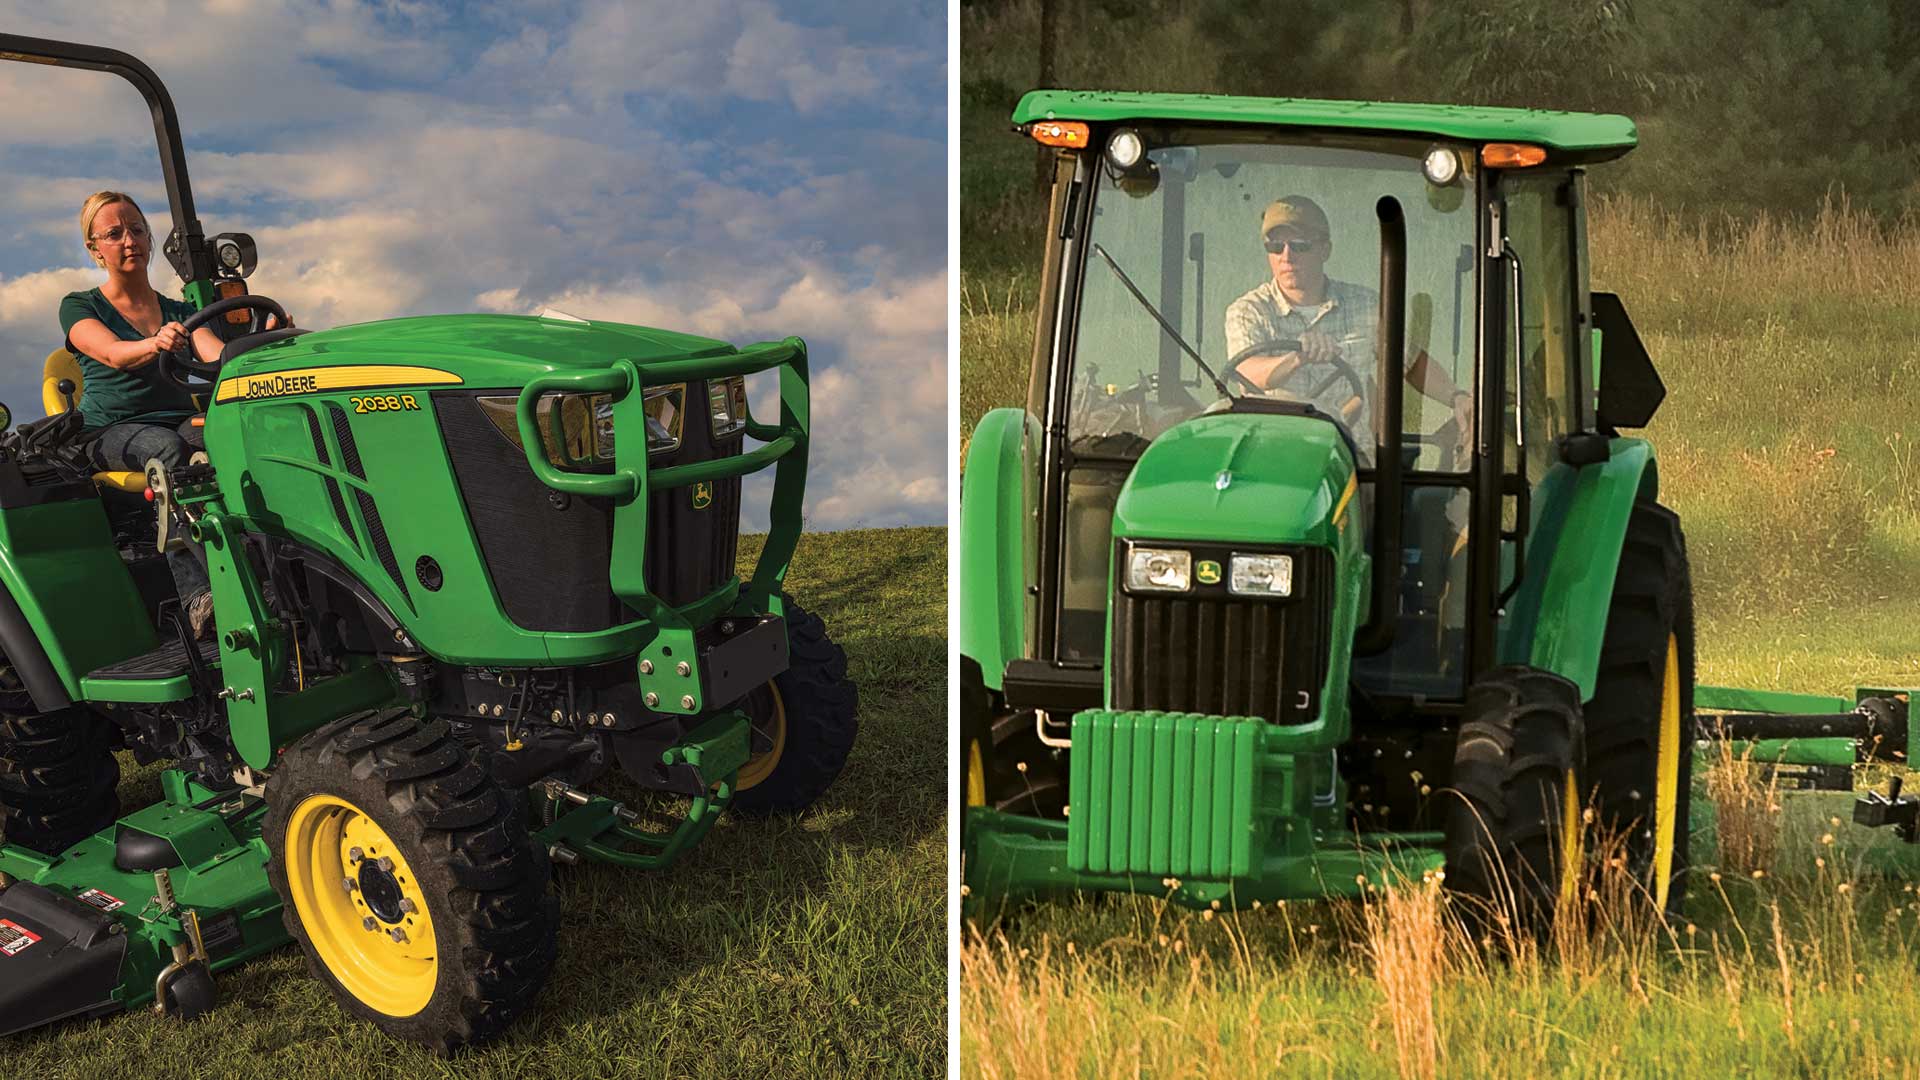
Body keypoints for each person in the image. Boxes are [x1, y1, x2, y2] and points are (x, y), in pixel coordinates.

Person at [56, 190, 287, 636]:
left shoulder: (180, 311)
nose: (130, 241)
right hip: (110, 431)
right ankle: (199, 595)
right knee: (166, 449)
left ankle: (271, 570)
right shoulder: (80, 306)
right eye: (114, 233)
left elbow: (220, 358)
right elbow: (113, 353)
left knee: (233, 437)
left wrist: (266, 342)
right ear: (94, 249)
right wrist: (153, 343)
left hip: (173, 419)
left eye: (137, 230)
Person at [1223, 195, 1471, 464]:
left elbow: (1409, 362)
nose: (1287, 256)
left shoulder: (1365, 306)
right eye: (1275, 246)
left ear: (1325, 250)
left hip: (1350, 460)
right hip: (1272, 459)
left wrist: (1456, 397)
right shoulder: (1249, 311)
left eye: (1299, 245)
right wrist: (1296, 359)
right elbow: (1248, 372)